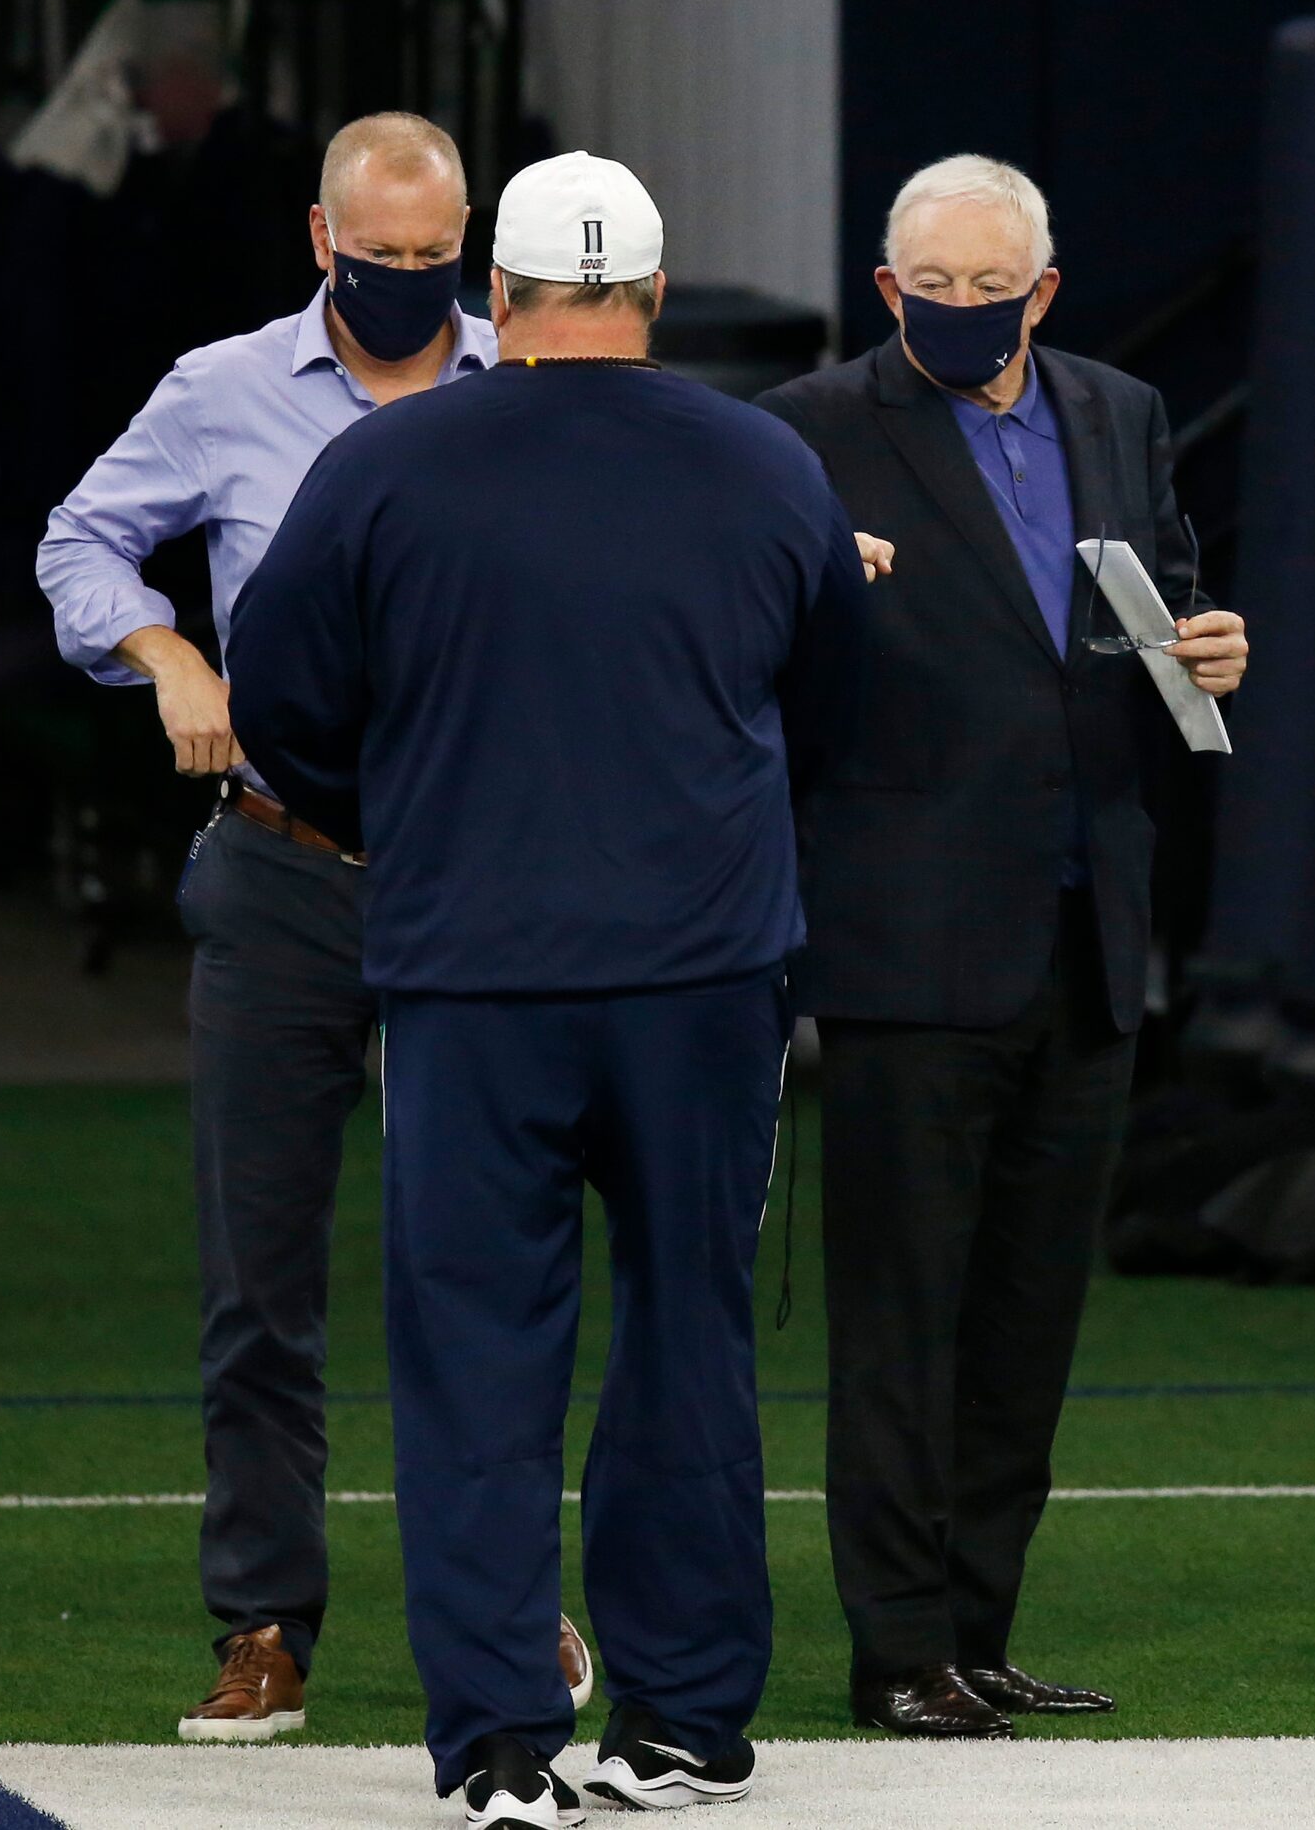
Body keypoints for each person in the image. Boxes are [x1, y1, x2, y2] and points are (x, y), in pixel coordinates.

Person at [232, 147, 866, 1827]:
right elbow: (834, 710)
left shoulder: (388, 463)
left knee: (473, 1357)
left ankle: (503, 1736)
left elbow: (281, 701)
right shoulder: (768, 464)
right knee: (689, 1333)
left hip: (473, 968)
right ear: (656, 294)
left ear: (489, 298)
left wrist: (407, 819)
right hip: (702, 970)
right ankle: (681, 1721)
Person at [33, 110, 597, 1740]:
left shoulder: (536, 389)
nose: (409, 283)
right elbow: (80, 534)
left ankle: (501, 1599)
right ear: (319, 239)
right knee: (257, 1273)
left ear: (476, 252)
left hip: (479, 879)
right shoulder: (221, 392)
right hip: (280, 868)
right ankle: (264, 1618)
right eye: (381, 256)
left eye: (437, 260)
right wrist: (165, 653)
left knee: (482, 1261)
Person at [754, 154, 1250, 1738]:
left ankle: (977, 1629)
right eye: (930, 290)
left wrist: (1207, 643)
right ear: (888, 288)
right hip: (906, 936)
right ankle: (895, 1647)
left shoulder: (1118, 410)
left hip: (1086, 924)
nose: (960, 314)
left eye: (990, 290)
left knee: (1028, 1311)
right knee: (901, 1316)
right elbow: (744, 656)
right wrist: (819, 597)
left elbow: (1150, 602)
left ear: (1043, 288)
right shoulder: (805, 432)